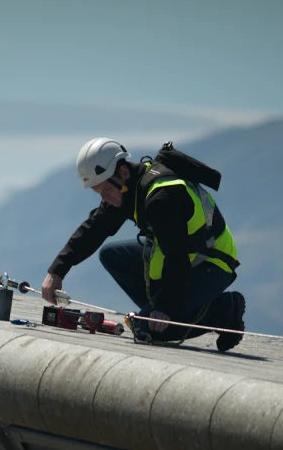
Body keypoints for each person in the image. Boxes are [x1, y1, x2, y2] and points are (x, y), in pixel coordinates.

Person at [40, 137, 246, 351]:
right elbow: (94, 229)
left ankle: (225, 311)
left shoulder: (160, 200)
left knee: (148, 330)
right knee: (111, 255)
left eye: (106, 191)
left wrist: (164, 308)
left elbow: (177, 259)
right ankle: (158, 311)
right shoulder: (126, 188)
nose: (104, 198)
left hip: (212, 263)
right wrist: (57, 270)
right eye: (99, 193)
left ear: (123, 172)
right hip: (183, 258)